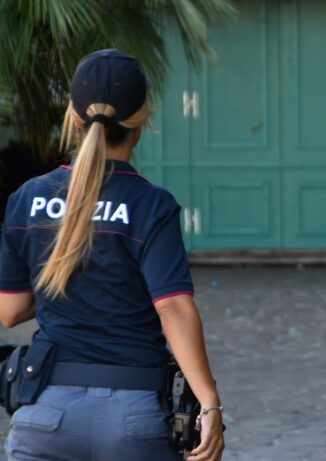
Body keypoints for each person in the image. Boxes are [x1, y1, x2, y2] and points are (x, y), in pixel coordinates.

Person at [0, 50, 224, 461]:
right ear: (142, 120)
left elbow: (10, 310)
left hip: (45, 413)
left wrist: (72, 283)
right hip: (134, 418)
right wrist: (209, 402)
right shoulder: (151, 205)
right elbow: (172, 306)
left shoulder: (27, 199)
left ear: (73, 116)